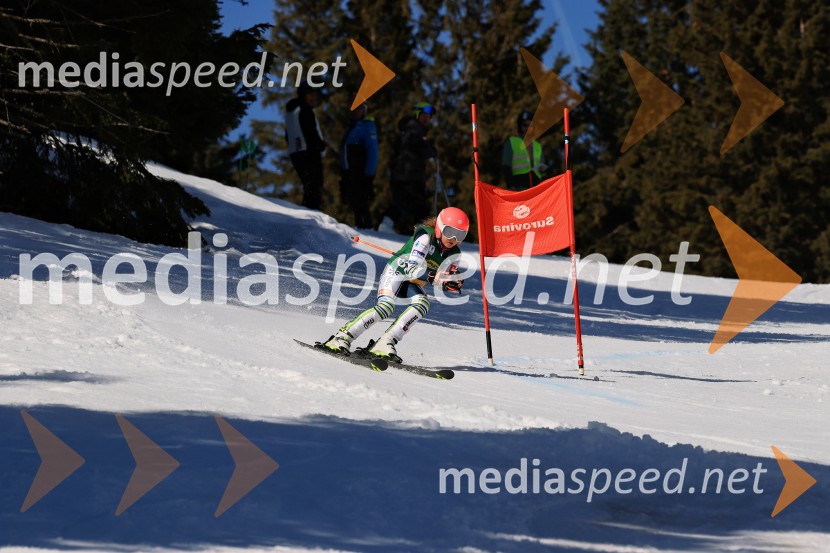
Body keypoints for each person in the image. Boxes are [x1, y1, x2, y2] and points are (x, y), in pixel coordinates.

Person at [322, 207, 469, 363]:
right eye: (449, 232)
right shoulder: (425, 237)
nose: (453, 238)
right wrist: (434, 277)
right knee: (385, 308)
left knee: (422, 304)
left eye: (460, 235)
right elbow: (412, 268)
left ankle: (385, 342)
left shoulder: (455, 254)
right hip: (395, 272)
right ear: (439, 228)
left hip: (410, 282)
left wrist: (449, 283)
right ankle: (342, 337)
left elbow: (440, 280)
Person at [389, 102, 437, 233]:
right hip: (409, 174)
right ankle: (423, 232)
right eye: (424, 116)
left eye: (428, 117)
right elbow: (421, 149)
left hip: (404, 173)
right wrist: (431, 151)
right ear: (417, 114)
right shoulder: (415, 130)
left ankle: (390, 224)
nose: (426, 119)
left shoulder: (408, 130)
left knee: (406, 203)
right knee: (417, 204)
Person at [285, 82, 326, 210]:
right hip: (309, 152)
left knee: (308, 186)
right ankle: (312, 213)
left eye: (315, 94)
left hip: (295, 152)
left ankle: (307, 211)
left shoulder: (291, 111)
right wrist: (320, 145)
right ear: (303, 95)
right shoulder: (305, 110)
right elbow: (311, 132)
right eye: (310, 94)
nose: (314, 97)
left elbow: (287, 134)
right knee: (314, 186)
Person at [339, 102, 378, 229]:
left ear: (364, 110)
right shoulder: (351, 127)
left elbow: (373, 151)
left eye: (360, 108)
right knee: (353, 201)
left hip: (360, 171)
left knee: (361, 201)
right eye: (354, 108)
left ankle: (367, 229)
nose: (356, 111)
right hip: (349, 172)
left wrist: (369, 174)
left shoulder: (367, 125)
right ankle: (360, 226)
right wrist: (344, 172)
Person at [502, 111, 547, 190]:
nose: (528, 128)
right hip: (519, 187)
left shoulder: (538, 145)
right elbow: (506, 167)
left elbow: (542, 170)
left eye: (531, 125)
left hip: (536, 188)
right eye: (525, 125)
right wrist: (510, 186)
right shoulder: (511, 142)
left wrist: (545, 171)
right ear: (520, 126)